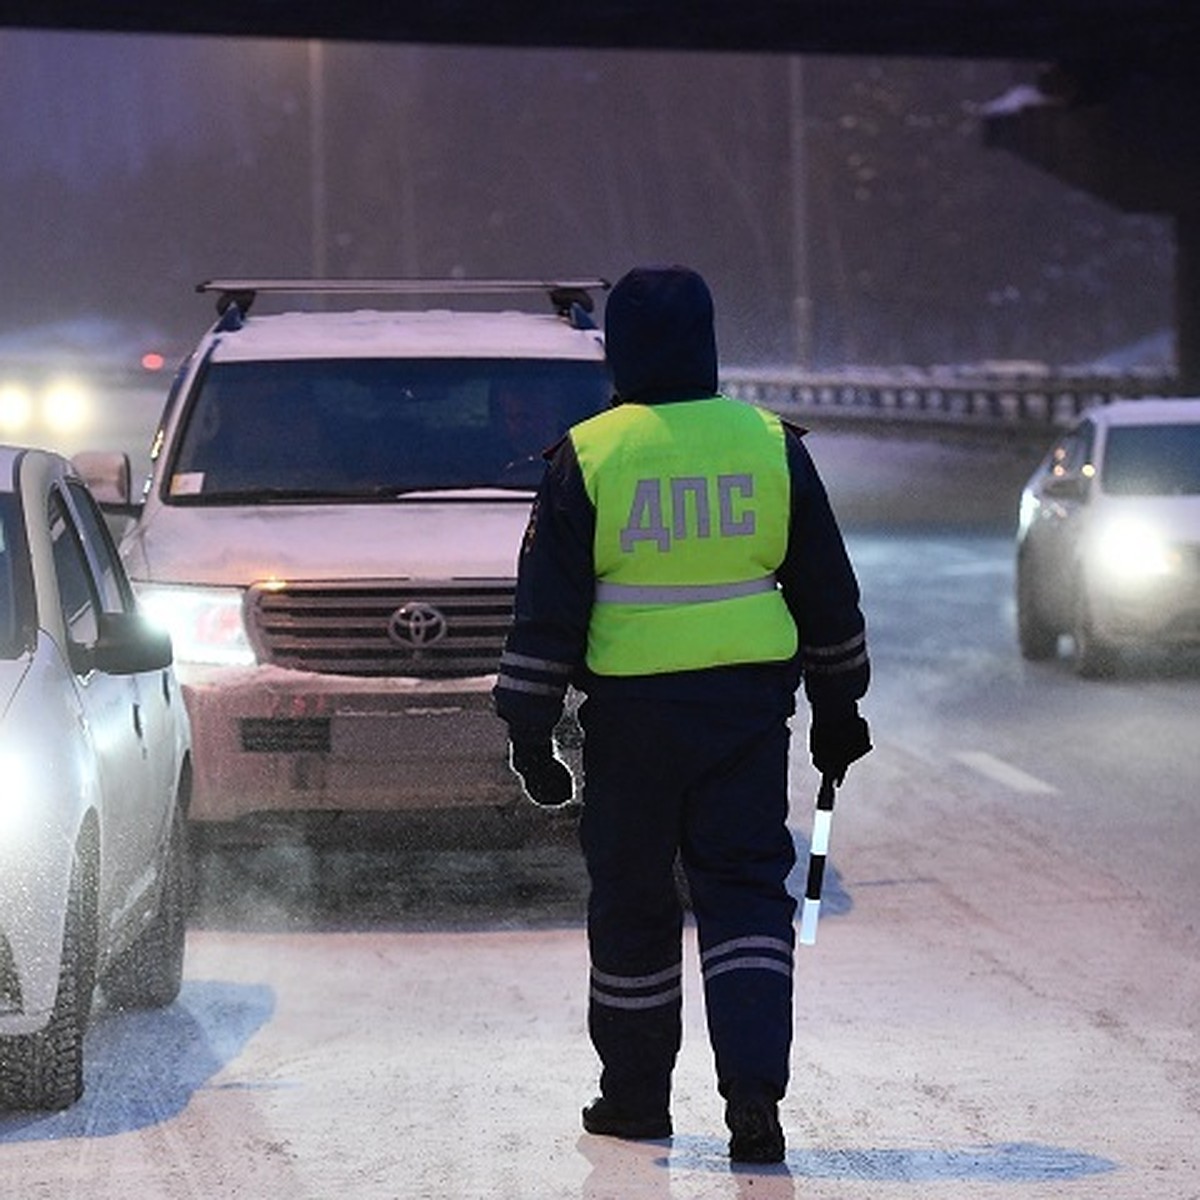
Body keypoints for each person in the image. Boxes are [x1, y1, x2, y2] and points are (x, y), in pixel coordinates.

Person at [492, 265, 871, 1164]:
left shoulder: (590, 455)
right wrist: (839, 707)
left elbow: (547, 611)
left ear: (620, 349)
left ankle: (633, 1099)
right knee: (745, 900)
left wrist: (531, 731)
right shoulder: (770, 444)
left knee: (634, 907)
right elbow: (826, 592)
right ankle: (753, 1098)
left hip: (631, 726)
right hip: (745, 721)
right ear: (707, 340)